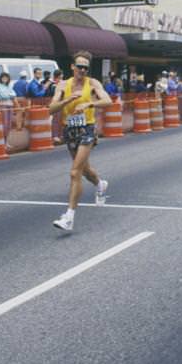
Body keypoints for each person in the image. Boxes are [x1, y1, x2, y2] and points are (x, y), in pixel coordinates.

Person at [49, 51, 113, 232]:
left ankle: (69, 216)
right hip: (70, 129)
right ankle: (100, 184)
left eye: (86, 67)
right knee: (84, 170)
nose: (82, 70)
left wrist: (89, 104)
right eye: (79, 67)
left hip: (87, 128)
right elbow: (51, 109)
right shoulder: (63, 85)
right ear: (72, 67)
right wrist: (66, 101)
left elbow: (107, 100)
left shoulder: (92, 83)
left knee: (74, 172)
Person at [0, 71, 17, 149]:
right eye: (3, 77)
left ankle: (6, 142)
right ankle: (2, 143)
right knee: (4, 125)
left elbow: (14, 94)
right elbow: (3, 96)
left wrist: (9, 95)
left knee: (9, 125)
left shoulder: (8, 86)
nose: (5, 79)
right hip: (3, 106)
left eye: (6, 77)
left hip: (10, 105)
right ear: (1, 78)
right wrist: (10, 95)